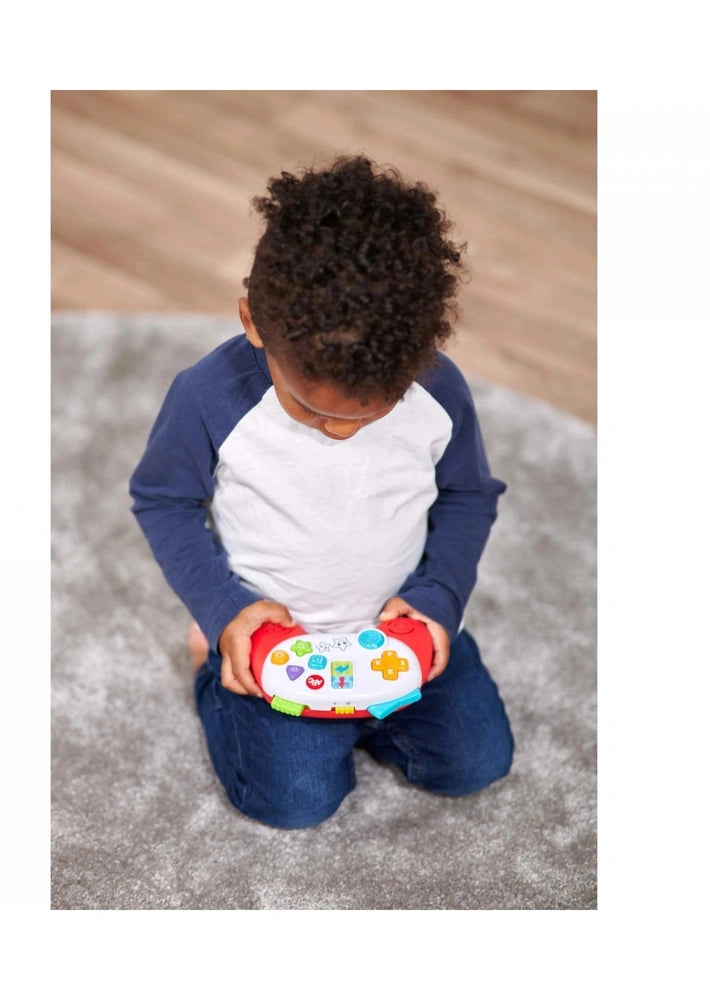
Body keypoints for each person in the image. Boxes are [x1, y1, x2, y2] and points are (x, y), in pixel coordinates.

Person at [130, 155, 513, 828]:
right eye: (312, 409)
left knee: (475, 764)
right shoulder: (207, 398)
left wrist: (438, 600)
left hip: (400, 627)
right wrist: (223, 613)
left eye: (373, 413)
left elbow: (468, 497)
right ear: (253, 322)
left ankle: (369, 719)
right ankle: (206, 663)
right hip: (276, 635)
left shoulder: (438, 389)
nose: (340, 431)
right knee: (296, 802)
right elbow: (164, 500)